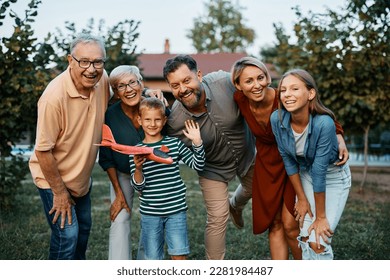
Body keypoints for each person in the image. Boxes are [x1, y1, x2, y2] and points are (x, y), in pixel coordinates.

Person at [229, 57, 349, 259]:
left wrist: (339, 136)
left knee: (292, 223)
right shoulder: (240, 99)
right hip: (269, 162)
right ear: (238, 85)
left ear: (268, 78)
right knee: (274, 223)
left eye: (260, 77)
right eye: (248, 81)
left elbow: (318, 115)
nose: (256, 85)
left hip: (296, 161)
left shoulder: (283, 97)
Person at [163, 55, 256, 260]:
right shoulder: (174, 121)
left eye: (187, 80)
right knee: (217, 218)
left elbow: (258, 87)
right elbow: (148, 125)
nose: (183, 89)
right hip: (212, 169)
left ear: (199, 75)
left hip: (248, 155)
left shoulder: (225, 82)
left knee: (252, 189)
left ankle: (236, 205)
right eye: (175, 85)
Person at [29, 33, 110, 259]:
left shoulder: (101, 81)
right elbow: (42, 151)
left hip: (81, 178)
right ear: (70, 61)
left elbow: (123, 94)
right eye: (84, 61)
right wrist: (60, 193)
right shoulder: (53, 98)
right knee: (68, 236)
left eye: (98, 62)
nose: (91, 69)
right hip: (52, 178)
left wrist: (147, 95)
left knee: (83, 232)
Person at [270, 69, 351, 260]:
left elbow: (320, 170)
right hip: (305, 175)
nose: (287, 94)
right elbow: (288, 159)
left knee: (318, 241)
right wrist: (302, 198)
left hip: (333, 178)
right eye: (283, 90)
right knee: (306, 237)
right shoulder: (277, 119)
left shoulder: (324, 123)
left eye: (294, 89)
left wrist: (320, 217)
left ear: (311, 93)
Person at [130, 98, 205, 260]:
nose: (152, 124)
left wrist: (197, 142)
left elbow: (197, 165)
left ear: (164, 121)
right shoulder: (136, 151)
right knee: (153, 258)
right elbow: (139, 186)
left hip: (176, 211)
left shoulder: (174, 144)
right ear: (139, 121)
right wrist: (138, 168)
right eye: (148, 119)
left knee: (179, 256)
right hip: (150, 213)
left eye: (157, 119)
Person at [98, 65, 145, 260]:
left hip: (152, 173)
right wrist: (118, 193)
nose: (129, 89)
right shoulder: (110, 115)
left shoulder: (155, 107)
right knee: (120, 217)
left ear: (140, 83)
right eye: (121, 86)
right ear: (115, 93)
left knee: (152, 219)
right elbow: (106, 157)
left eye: (132, 82)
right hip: (122, 174)